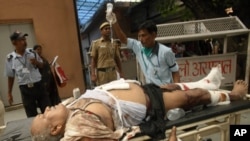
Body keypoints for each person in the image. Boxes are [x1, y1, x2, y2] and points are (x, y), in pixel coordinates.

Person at [30, 65, 248, 141]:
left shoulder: (67, 108)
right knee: (194, 97)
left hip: (139, 88)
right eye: (44, 114)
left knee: (172, 86)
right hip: (147, 105)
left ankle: (208, 82)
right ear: (57, 128)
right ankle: (234, 96)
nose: (46, 108)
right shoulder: (79, 130)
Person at [110, 13, 180, 86]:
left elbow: (175, 71)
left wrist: (176, 88)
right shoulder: (138, 47)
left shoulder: (166, 52)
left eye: (143, 35)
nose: (140, 39)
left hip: (165, 90)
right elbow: (123, 39)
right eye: (139, 36)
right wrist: (114, 22)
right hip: (150, 90)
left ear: (153, 35)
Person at [5, 30, 51, 117]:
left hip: (39, 85)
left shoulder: (33, 52)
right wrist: (9, 93)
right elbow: (11, 76)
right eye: (21, 40)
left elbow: (42, 66)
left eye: (24, 39)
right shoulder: (10, 59)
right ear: (14, 43)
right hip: (25, 89)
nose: (24, 42)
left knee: (47, 111)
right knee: (31, 115)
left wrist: (36, 62)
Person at [90, 22, 123, 86]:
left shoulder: (114, 44)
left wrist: (121, 72)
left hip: (112, 73)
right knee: (103, 92)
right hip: (102, 74)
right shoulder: (96, 44)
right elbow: (93, 60)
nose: (108, 30)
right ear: (101, 31)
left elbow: (117, 59)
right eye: (106, 29)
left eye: (109, 29)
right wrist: (93, 74)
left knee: (114, 90)